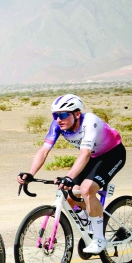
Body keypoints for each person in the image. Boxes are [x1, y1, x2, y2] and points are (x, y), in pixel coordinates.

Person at [17, 94, 125, 254]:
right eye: (55, 115)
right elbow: (44, 150)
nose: (58, 119)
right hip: (94, 157)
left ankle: (99, 239)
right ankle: (90, 220)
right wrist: (30, 173)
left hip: (112, 154)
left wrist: (69, 176)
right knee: (69, 195)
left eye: (63, 114)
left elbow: (85, 154)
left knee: (87, 189)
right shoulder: (57, 125)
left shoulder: (90, 122)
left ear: (77, 114)